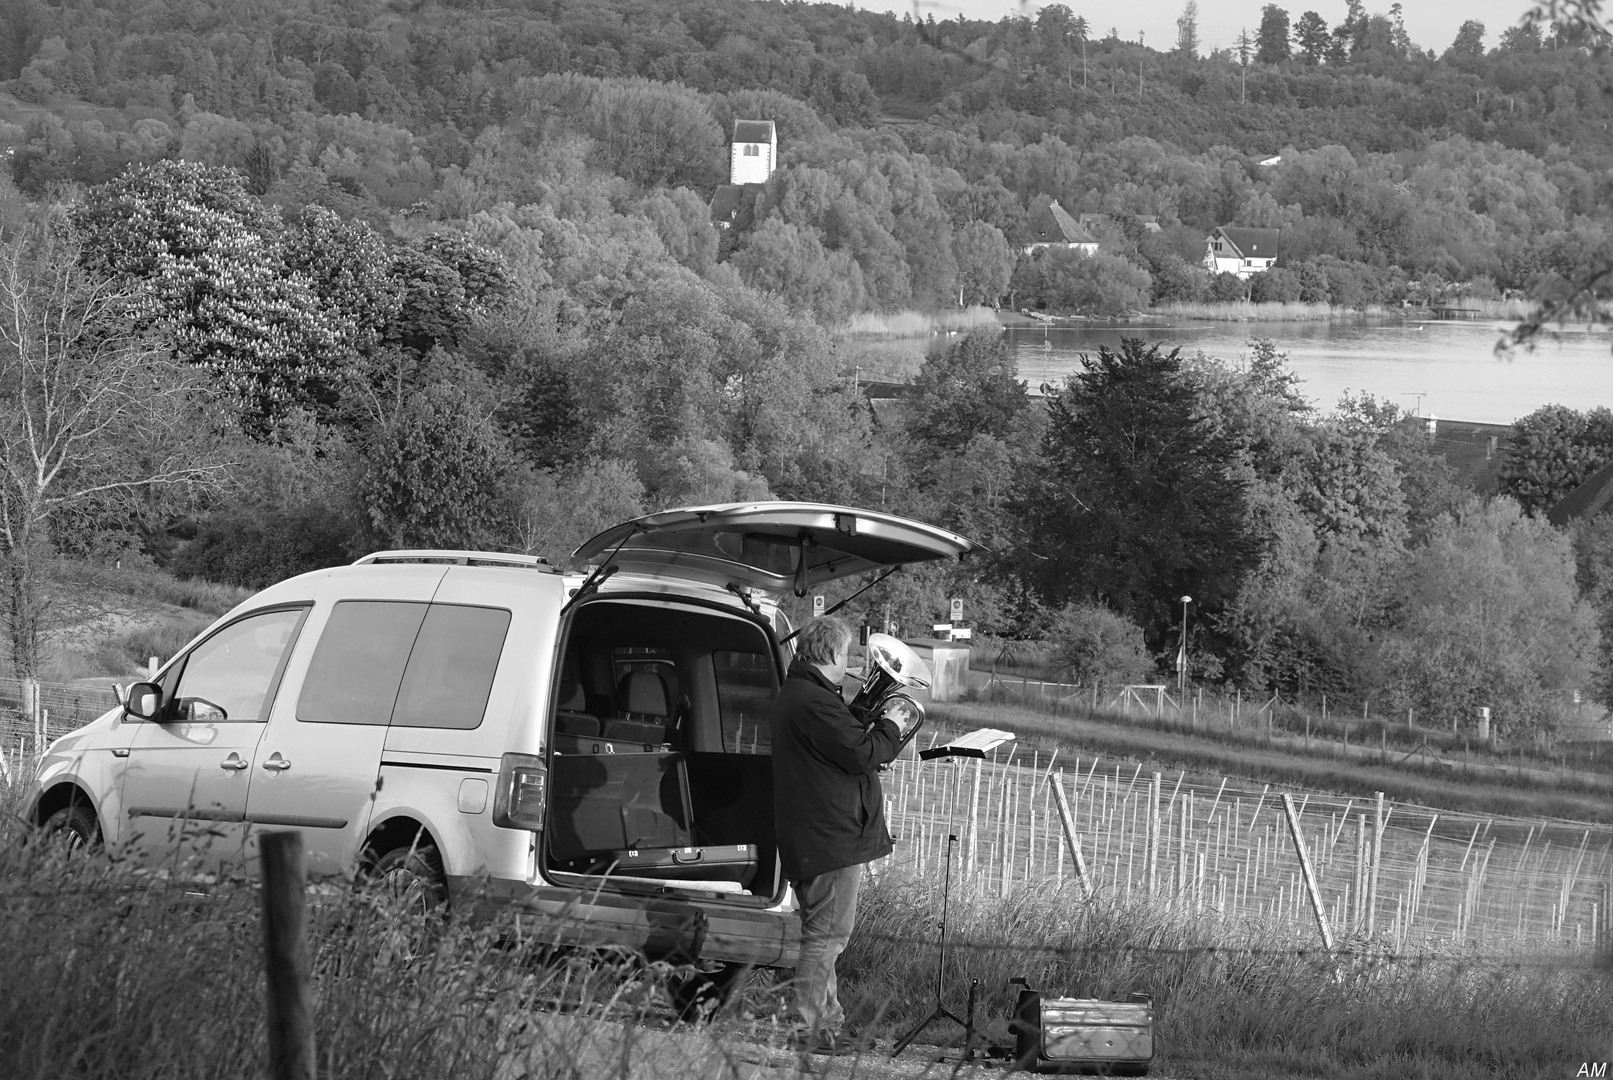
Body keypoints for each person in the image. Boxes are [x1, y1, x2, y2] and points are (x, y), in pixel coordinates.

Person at [769, 615, 908, 1055]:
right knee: (826, 938)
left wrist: (863, 714)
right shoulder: (813, 700)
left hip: (818, 834)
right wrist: (893, 725)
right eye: (847, 654)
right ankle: (809, 1030)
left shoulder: (806, 694)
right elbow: (862, 752)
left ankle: (827, 1025)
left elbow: (838, 743)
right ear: (830, 654)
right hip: (829, 836)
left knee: (825, 934)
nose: (850, 663)